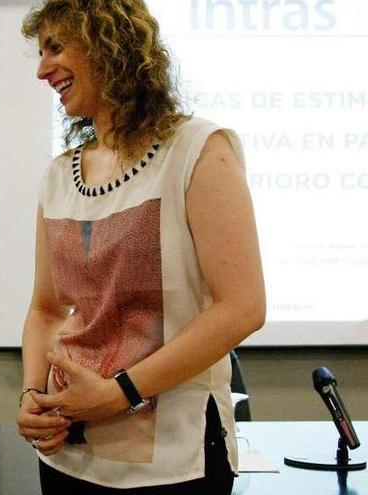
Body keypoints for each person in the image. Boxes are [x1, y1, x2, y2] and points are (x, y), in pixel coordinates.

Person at [15, 1, 265, 494]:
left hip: (175, 462)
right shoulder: (58, 175)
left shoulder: (197, 149)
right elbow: (46, 310)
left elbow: (243, 308)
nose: (43, 70)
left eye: (56, 48)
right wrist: (32, 394)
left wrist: (118, 393)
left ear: (108, 42)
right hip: (69, 456)